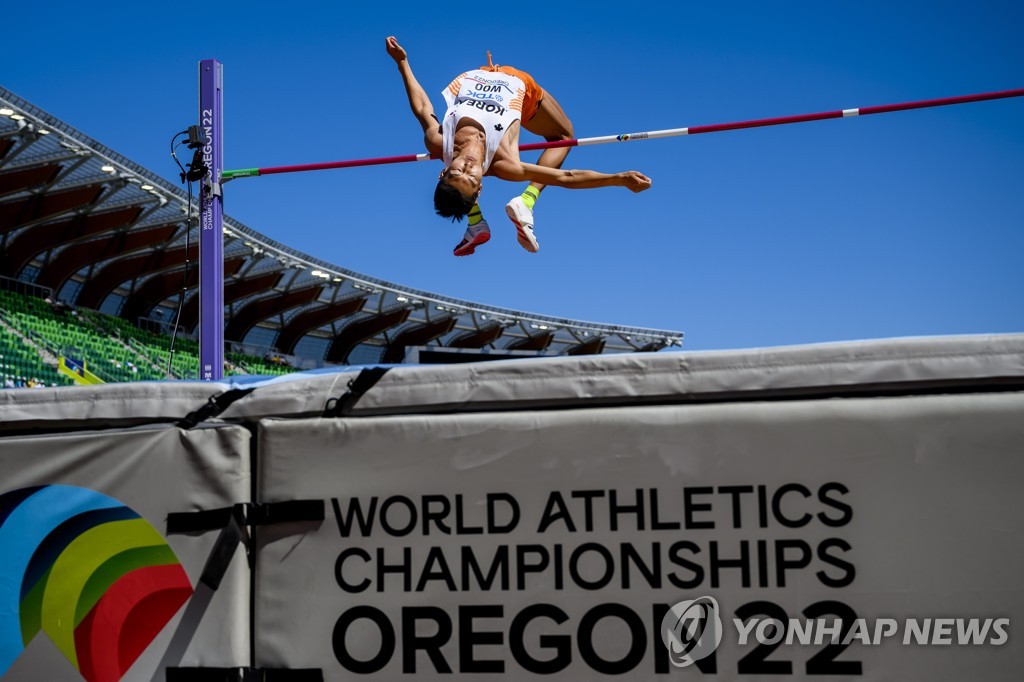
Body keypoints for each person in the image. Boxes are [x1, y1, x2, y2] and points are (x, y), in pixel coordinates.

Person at [385, 36, 652, 256]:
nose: (468, 167)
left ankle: (476, 222)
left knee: (449, 168)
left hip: (476, 76)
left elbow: (422, 108)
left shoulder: (438, 142)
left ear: (444, 171)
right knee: (564, 136)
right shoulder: (506, 164)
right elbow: (565, 177)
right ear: (480, 188)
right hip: (517, 85)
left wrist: (402, 63)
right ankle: (526, 201)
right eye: (472, 177)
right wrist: (618, 179)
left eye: (457, 172)